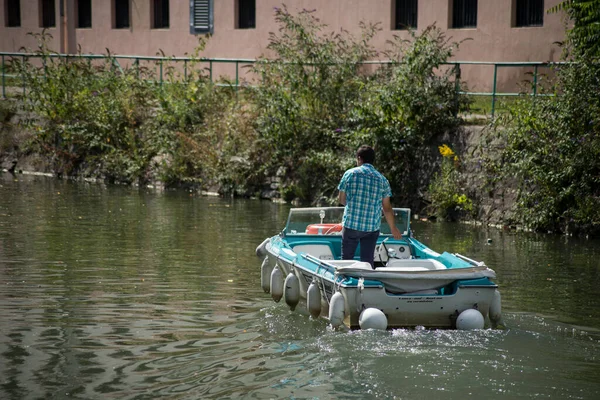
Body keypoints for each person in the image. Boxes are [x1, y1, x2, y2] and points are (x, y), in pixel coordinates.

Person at [337, 145, 402, 268]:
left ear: (359, 159)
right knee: (367, 262)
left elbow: (341, 199)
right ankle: (367, 283)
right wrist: (393, 228)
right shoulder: (382, 180)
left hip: (351, 224)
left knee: (346, 261)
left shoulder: (349, 174)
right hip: (371, 228)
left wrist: (354, 206)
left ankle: (345, 283)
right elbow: (387, 208)